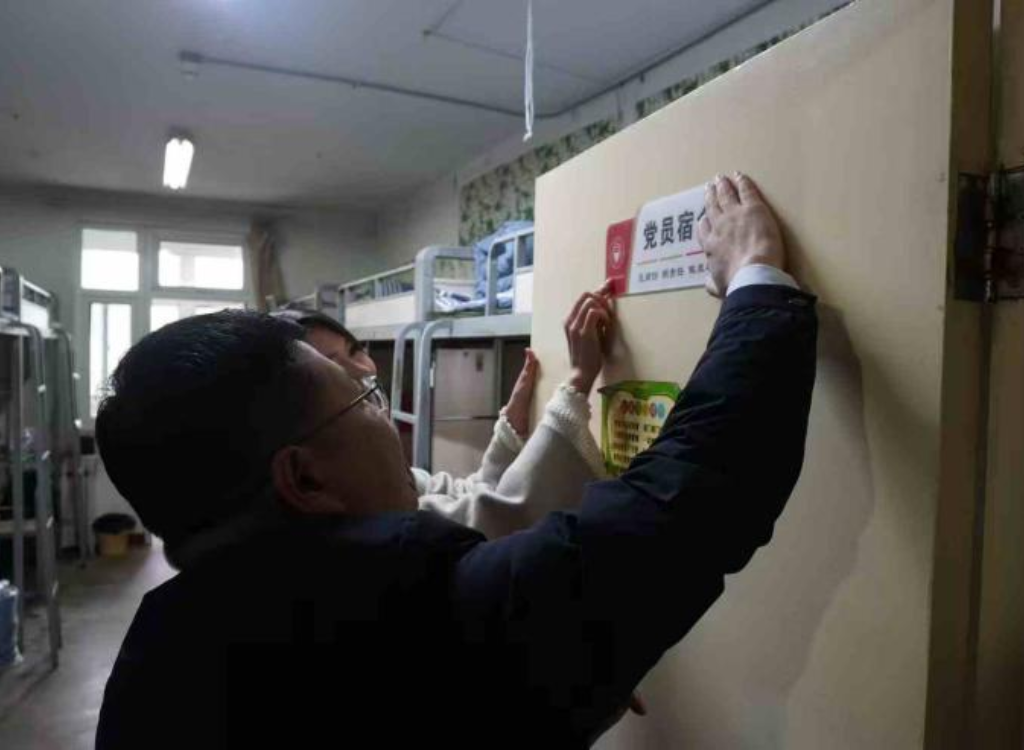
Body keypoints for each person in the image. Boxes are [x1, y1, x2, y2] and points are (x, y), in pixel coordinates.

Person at [95, 173, 817, 748]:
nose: (385, 414)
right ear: (305, 478)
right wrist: (755, 277)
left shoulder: (158, 661)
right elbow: (691, 496)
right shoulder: (428, 614)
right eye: (366, 399)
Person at [269, 303, 609, 539]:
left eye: (355, 350)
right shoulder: (356, 507)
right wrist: (577, 385)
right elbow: (501, 518)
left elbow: (468, 497)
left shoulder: (386, 472)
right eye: (333, 365)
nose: (362, 370)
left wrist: (511, 427)